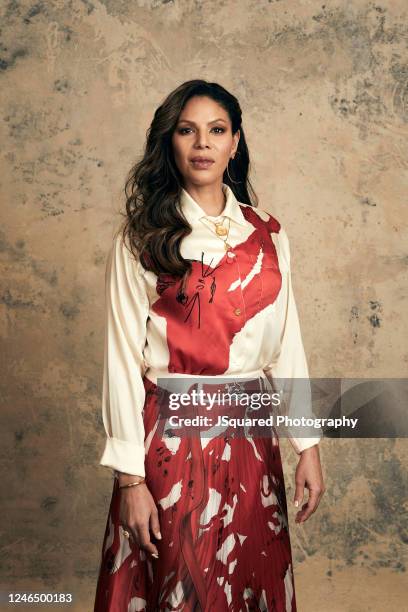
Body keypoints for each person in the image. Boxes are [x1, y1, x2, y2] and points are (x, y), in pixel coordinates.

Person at [94, 79, 325, 612]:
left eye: (216, 130)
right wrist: (131, 478)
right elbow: (121, 362)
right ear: (169, 142)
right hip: (171, 443)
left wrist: (306, 444)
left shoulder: (268, 232)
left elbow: (285, 345)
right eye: (187, 130)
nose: (202, 143)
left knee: (251, 577)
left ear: (235, 142)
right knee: (181, 585)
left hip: (249, 436)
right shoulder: (143, 238)